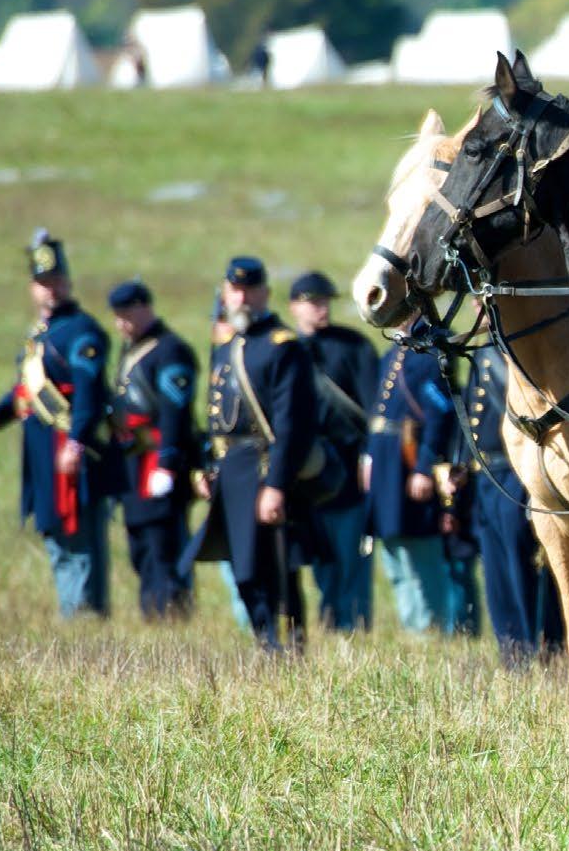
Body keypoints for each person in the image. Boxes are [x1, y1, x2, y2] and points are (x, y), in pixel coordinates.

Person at [0, 230, 113, 618]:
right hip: (43, 455)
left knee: (78, 543)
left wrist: (76, 443)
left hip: (69, 453)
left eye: (57, 280)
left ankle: (84, 619)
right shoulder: (41, 334)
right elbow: (25, 392)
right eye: (43, 282)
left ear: (68, 281)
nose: (51, 289)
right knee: (57, 540)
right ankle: (74, 613)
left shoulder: (82, 332)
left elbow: (88, 394)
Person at [189, 255, 321, 651]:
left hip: (266, 470)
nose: (242, 298)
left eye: (250, 290)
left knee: (279, 569)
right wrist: (208, 466)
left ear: (265, 293)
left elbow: (292, 423)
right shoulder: (226, 345)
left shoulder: (282, 346)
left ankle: (289, 649)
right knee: (243, 569)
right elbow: (216, 415)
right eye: (235, 290)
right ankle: (265, 645)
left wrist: (276, 486)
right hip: (231, 470)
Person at [289, 270, 380, 632]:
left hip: (347, 469)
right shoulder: (288, 349)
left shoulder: (354, 347)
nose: (321, 308)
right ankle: (329, 620)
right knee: (320, 557)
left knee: (351, 555)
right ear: (294, 307)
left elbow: (373, 413)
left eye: (325, 301)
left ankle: (352, 625)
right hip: (305, 474)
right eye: (313, 302)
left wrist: (369, 457)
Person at [463, 346, 564, 664]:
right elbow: (468, 410)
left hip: (516, 471)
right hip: (486, 473)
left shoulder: (514, 351)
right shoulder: (480, 352)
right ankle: (512, 652)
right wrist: (460, 460)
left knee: (523, 565)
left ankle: (543, 648)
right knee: (497, 572)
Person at [108, 279, 198, 620]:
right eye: (118, 316)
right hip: (133, 462)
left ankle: (172, 613)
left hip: (157, 462)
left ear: (144, 308)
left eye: (127, 314)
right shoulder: (132, 349)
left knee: (165, 547)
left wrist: (167, 463)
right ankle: (152, 611)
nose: (121, 323)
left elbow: (175, 411)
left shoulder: (170, 351)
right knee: (142, 547)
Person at [365, 335, 466, 633]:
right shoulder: (392, 353)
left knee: (422, 557)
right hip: (387, 466)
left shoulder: (428, 354)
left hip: (410, 464)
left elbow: (440, 416)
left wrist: (424, 467)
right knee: (395, 555)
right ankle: (413, 626)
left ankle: (432, 628)